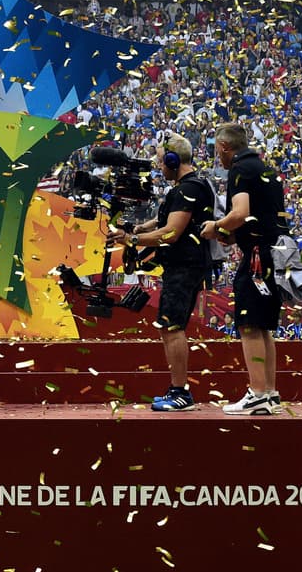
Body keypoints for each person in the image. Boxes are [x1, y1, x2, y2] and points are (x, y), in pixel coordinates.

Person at [108, 136, 213, 412]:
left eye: (160, 160)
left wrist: (131, 241)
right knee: (169, 327)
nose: (158, 165)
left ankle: (180, 393)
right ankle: (177, 389)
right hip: (183, 266)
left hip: (184, 266)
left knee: (173, 327)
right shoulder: (189, 187)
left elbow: (170, 232)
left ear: (172, 161)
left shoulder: (188, 188)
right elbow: (164, 221)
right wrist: (136, 230)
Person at [201, 122, 289, 415]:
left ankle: (258, 393)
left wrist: (216, 226)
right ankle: (271, 393)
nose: (218, 157)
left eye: (217, 150)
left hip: (257, 257)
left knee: (249, 324)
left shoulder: (240, 169)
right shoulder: (267, 169)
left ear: (225, 147)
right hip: (277, 253)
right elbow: (258, 217)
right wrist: (229, 234)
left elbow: (240, 213)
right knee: (264, 326)